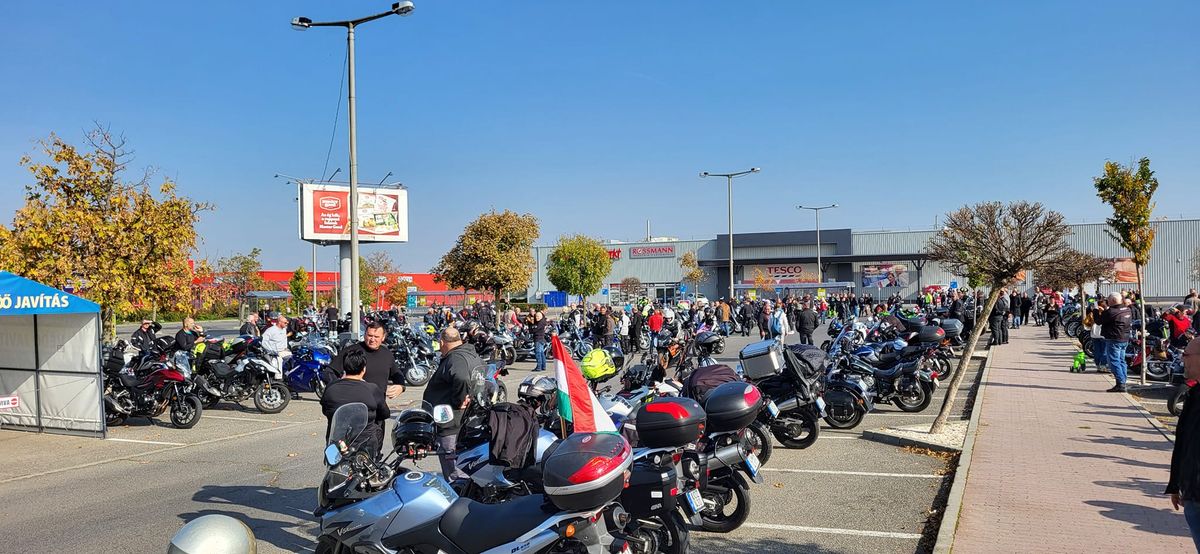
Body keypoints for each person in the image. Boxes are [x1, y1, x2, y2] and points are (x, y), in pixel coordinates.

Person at [423, 327, 483, 480]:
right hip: (463, 420)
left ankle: (458, 496)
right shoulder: (470, 354)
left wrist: (458, 400)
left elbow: (461, 378)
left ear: (442, 342)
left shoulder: (456, 358)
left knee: (454, 471)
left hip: (451, 421)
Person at [320, 349, 389, 456]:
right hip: (365, 444)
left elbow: (325, 410)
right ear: (364, 369)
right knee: (379, 423)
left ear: (344, 368)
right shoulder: (372, 389)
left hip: (336, 441)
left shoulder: (331, 388)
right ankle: (376, 457)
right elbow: (385, 413)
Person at [1167, 336, 1200, 550]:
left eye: (1186, 355)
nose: (1182, 359)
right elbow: (1183, 443)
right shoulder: (1194, 394)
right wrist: (1175, 484)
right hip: (1192, 493)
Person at [333, 321, 406, 399]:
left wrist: (401, 386)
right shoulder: (352, 351)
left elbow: (396, 373)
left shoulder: (387, 353)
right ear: (364, 335)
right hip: (354, 403)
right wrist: (339, 389)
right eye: (370, 335)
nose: (372, 339)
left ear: (383, 337)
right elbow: (329, 372)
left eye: (376, 337)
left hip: (378, 405)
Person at [1098, 292, 1133, 393]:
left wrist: (1097, 311)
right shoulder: (1127, 309)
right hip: (1124, 338)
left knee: (1113, 361)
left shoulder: (1111, 311)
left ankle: (1121, 383)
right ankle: (1123, 381)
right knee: (1121, 360)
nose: (1107, 302)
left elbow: (1099, 321)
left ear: (1112, 301)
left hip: (1114, 338)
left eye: (1108, 300)